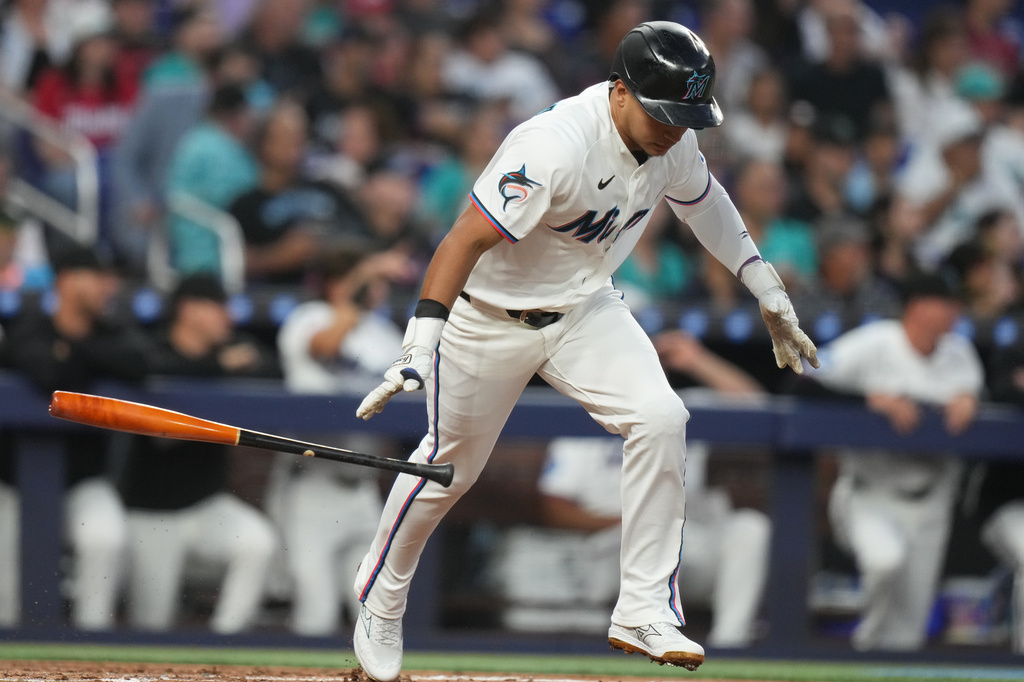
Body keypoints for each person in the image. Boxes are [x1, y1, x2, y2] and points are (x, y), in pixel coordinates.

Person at [351, 21, 818, 680]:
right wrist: (417, 343)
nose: (674, 128)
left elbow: (704, 203)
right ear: (619, 90)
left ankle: (644, 607)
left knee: (662, 418)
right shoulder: (553, 146)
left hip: (584, 308)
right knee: (448, 469)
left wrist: (764, 283)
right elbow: (460, 241)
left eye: (686, 116)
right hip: (488, 319)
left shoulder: (672, 141)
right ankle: (382, 594)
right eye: (663, 111)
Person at [798, 273, 985, 651]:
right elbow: (804, 377)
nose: (954, 312)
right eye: (945, 303)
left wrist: (973, 400)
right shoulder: (878, 342)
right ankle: (864, 646)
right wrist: (869, 400)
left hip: (931, 498)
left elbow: (987, 402)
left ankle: (874, 657)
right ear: (917, 308)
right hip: (871, 494)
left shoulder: (959, 353)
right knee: (885, 561)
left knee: (908, 633)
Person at [119, 274, 280, 633]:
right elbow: (153, 368)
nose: (229, 317)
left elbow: (274, 367)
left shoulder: (232, 354)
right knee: (151, 623)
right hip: (151, 513)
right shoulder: (151, 352)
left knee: (258, 543)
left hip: (205, 505)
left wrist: (229, 365)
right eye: (219, 307)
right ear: (189, 309)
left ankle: (224, 648)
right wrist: (220, 367)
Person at [0, 243, 149, 630]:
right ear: (67, 281)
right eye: (97, 277)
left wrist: (74, 350)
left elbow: (139, 363)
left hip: (83, 480)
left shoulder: (113, 332)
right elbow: (46, 370)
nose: (108, 287)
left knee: (106, 537)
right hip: (14, 481)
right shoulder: (29, 326)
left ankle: (91, 649)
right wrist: (84, 358)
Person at [271, 245, 409, 636]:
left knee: (371, 610)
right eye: (373, 280)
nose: (379, 288)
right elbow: (324, 347)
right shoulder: (307, 317)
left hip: (364, 488)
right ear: (340, 283)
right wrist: (358, 283)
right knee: (315, 613)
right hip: (311, 484)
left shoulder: (383, 333)